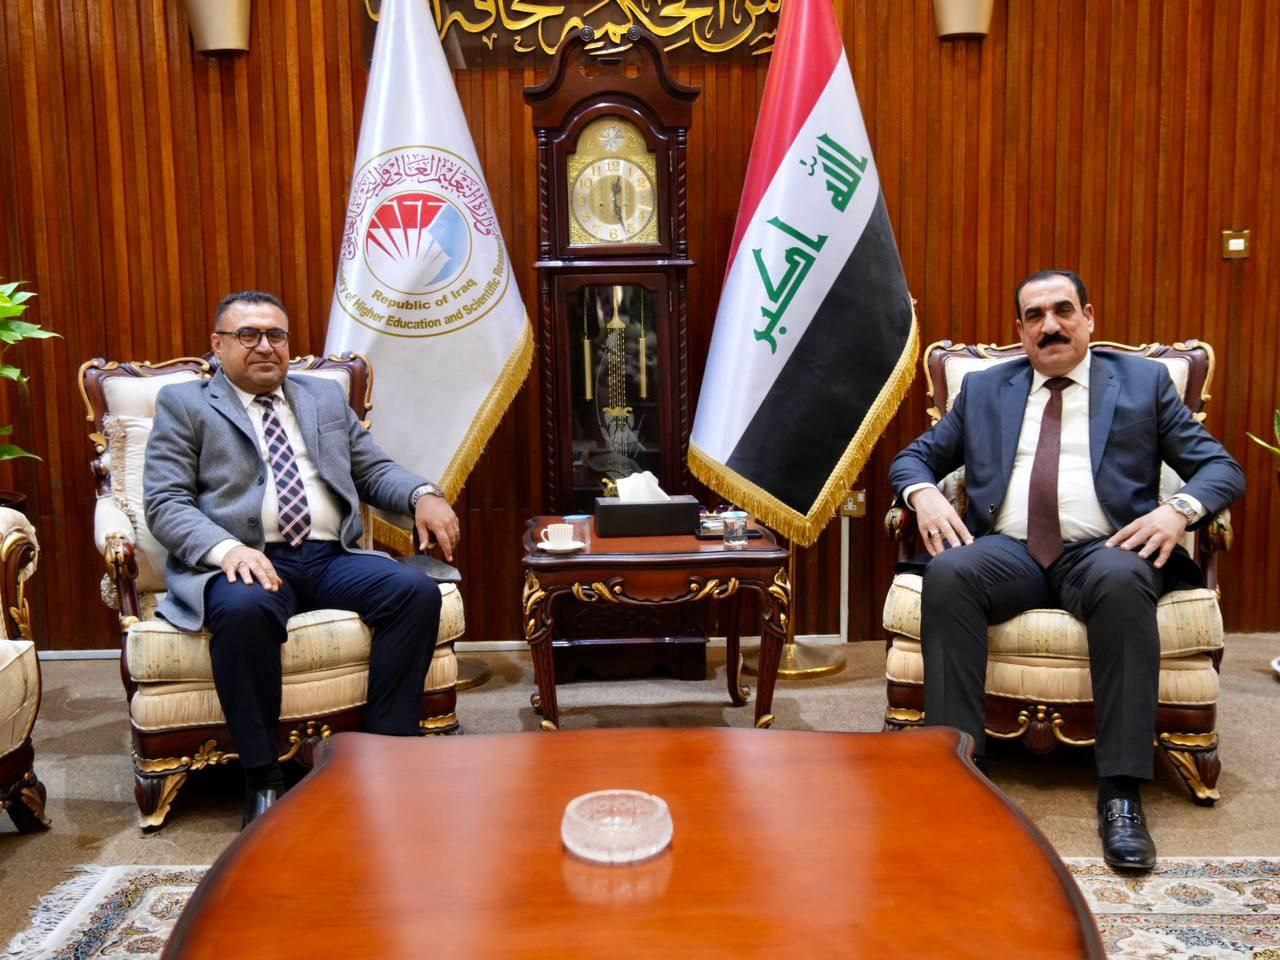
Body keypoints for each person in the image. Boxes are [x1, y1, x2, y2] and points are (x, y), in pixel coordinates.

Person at [889, 269, 1244, 871]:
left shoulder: (1143, 383)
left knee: (1123, 579)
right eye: (1034, 316)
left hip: (1105, 548)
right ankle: (960, 771)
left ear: (1088, 317)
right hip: (1010, 550)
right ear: (1020, 328)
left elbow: (1220, 468)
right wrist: (922, 495)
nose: (1049, 326)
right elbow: (914, 458)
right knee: (949, 573)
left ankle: (1122, 792)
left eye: (1062, 311)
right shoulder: (985, 389)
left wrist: (1178, 511)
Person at [144, 290, 460, 827]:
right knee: (243, 611)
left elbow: (373, 470)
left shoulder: (322, 396)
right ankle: (262, 775)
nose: (265, 346)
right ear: (217, 345)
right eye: (248, 335)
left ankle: (387, 753)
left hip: (330, 555)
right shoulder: (186, 404)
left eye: (276, 335)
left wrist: (422, 494)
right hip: (248, 559)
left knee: (413, 593)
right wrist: (226, 549)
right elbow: (165, 501)